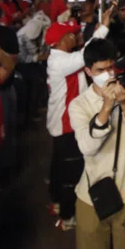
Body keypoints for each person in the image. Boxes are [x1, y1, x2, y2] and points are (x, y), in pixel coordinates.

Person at [69, 39, 125, 249]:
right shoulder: (79, 104)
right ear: (88, 71)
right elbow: (87, 147)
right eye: (100, 70)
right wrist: (106, 107)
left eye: (110, 67)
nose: (107, 74)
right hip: (92, 196)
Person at [45, 20, 87, 231]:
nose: (75, 36)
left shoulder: (62, 57)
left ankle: (57, 201)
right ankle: (68, 216)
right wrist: (103, 28)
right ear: (61, 41)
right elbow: (88, 54)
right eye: (71, 34)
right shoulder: (61, 62)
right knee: (71, 173)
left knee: (59, 168)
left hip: (63, 123)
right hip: (66, 125)